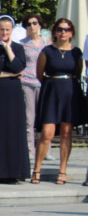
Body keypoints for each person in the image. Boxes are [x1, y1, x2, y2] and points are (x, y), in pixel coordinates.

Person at [31, 18, 85, 185]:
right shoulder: (47, 51)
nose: (63, 32)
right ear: (55, 31)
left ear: (72, 32)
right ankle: (37, 168)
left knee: (66, 133)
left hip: (70, 92)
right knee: (47, 133)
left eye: (67, 29)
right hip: (52, 92)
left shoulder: (76, 52)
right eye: (60, 29)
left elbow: (78, 71)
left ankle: (63, 170)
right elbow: (40, 74)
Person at [0, 16, 29, 183]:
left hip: (13, 96)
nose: (4, 32)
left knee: (12, 131)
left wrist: (8, 49)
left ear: (12, 30)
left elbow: (18, 66)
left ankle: (11, 172)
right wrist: (9, 74)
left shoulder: (18, 47)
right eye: (2, 29)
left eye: (8, 30)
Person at [19, 14, 48, 168]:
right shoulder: (22, 44)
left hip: (44, 83)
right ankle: (30, 149)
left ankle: (45, 149)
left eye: (34, 23)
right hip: (27, 82)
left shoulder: (47, 43)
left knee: (45, 118)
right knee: (29, 118)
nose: (32, 26)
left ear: (40, 25)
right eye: (28, 24)